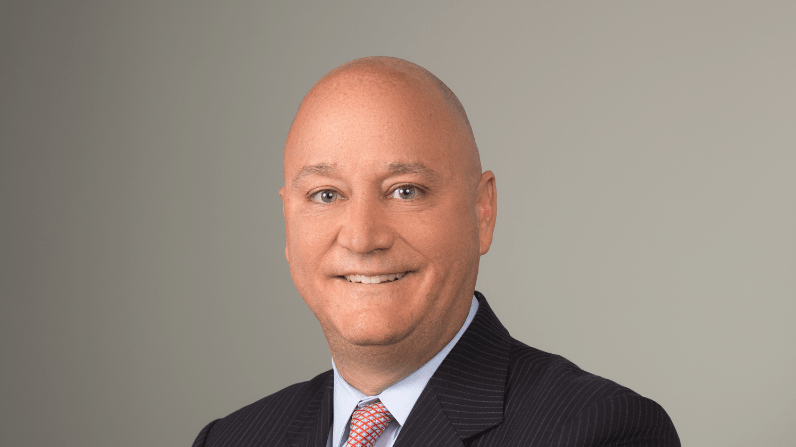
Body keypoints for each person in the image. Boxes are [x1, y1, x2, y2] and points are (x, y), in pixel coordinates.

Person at [192, 56, 680, 447]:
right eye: (326, 195)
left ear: (482, 212)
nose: (362, 238)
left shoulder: (601, 431)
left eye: (405, 191)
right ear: (288, 220)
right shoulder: (229, 438)